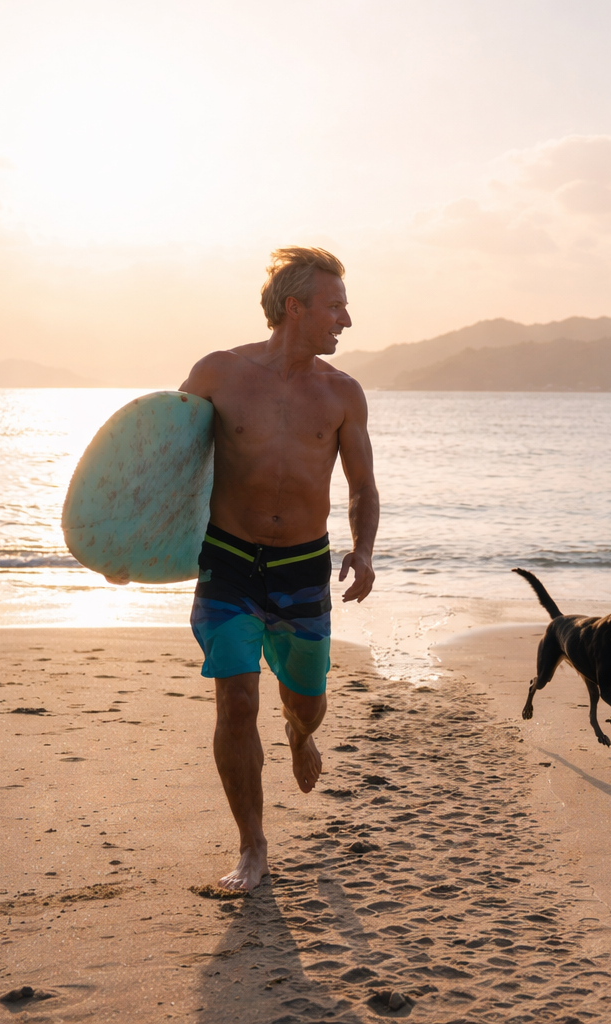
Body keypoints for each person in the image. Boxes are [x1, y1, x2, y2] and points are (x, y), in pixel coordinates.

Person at [178, 246, 378, 892]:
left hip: (301, 567)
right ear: (296, 307)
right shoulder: (218, 374)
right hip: (229, 561)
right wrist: (132, 550)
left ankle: (298, 733)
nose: (345, 319)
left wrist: (364, 548)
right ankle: (252, 848)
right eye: (335, 306)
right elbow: (159, 466)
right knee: (235, 704)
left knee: (308, 703)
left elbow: (362, 487)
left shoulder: (342, 394)